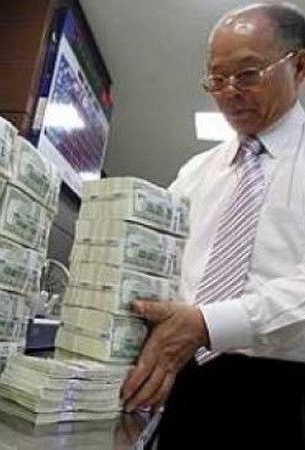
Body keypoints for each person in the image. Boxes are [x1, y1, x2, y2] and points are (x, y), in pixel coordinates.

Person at [120, 3, 305, 448]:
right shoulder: (196, 172)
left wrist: (209, 323)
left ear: (299, 66)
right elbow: (157, 259)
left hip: (283, 392)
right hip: (183, 377)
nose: (229, 93)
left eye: (247, 74)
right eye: (217, 79)